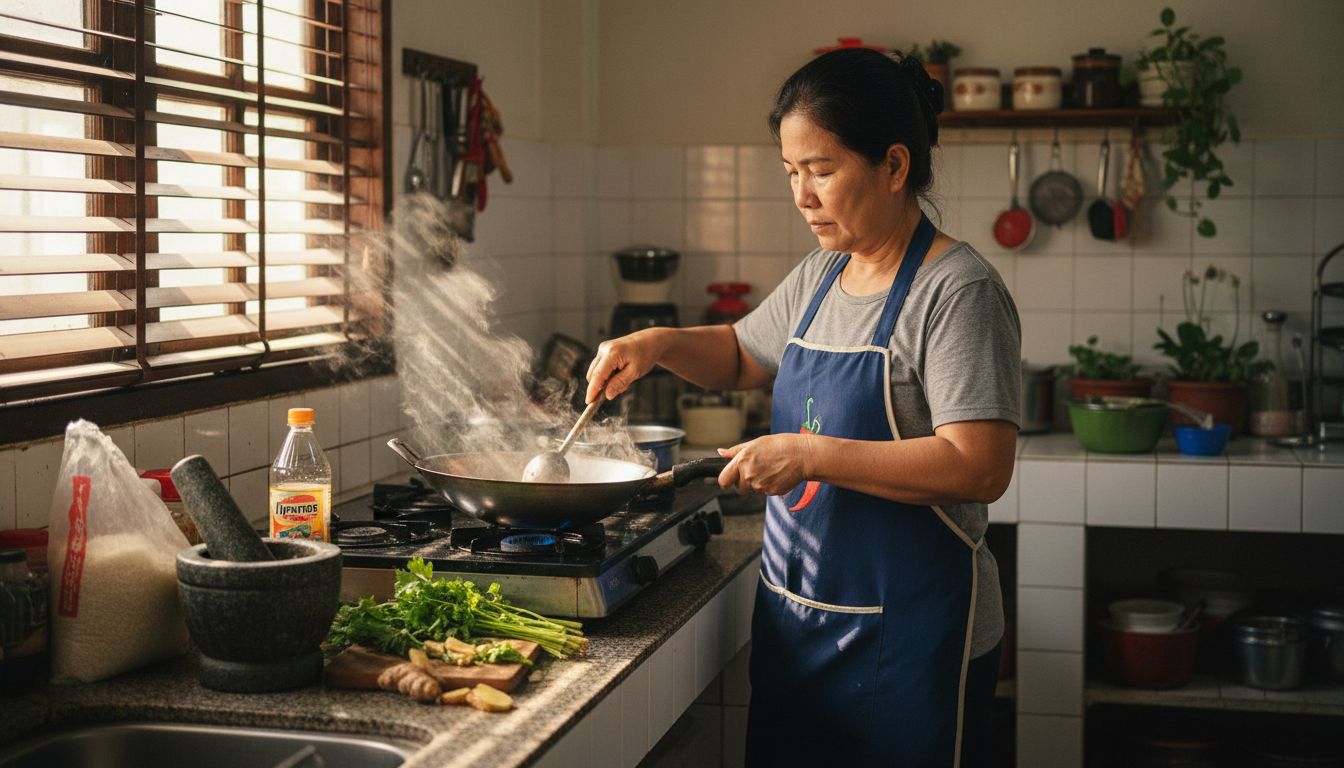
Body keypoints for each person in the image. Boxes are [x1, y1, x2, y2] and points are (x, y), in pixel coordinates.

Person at [585, 48, 1020, 767]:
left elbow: (978, 466)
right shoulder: (821, 275)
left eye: (821, 170)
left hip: (914, 644)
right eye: (791, 172)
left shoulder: (957, 291)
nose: (802, 195)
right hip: (799, 625)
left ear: (894, 166)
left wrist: (809, 454)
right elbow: (738, 355)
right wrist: (659, 342)